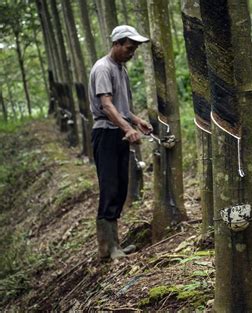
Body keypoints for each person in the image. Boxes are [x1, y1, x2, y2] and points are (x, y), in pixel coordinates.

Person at [88, 25, 153, 261]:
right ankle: (107, 249)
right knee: (110, 187)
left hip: (119, 134)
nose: (132, 52)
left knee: (120, 187)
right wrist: (127, 128)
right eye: (129, 47)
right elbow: (106, 105)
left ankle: (115, 244)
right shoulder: (103, 68)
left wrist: (137, 122)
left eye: (134, 49)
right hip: (106, 134)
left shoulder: (121, 70)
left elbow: (122, 108)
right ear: (116, 44)